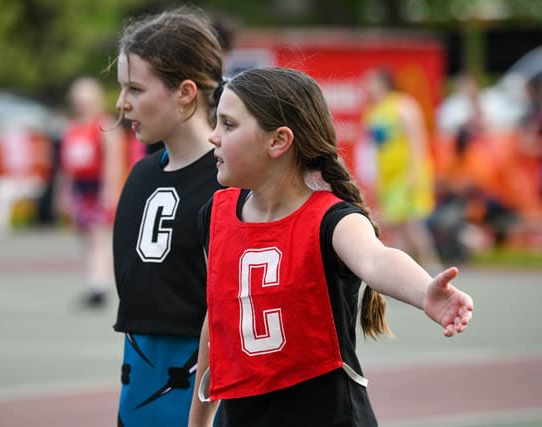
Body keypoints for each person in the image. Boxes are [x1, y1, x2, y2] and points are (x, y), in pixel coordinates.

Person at [188, 68, 474, 427]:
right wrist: (198, 421)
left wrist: (423, 291)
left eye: (228, 125)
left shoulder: (331, 219)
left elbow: (376, 259)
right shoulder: (215, 215)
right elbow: (217, 321)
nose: (213, 136)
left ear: (278, 141)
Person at [110, 7, 225, 426]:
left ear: (185, 93)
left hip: (204, 395)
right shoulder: (141, 175)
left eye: (135, 88)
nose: (122, 103)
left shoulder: (229, 184)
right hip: (139, 386)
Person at [362, 68, 441, 269]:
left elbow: (417, 140)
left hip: (406, 174)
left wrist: (415, 173)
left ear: (383, 83)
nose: (367, 86)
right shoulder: (373, 113)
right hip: (388, 177)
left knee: (411, 223)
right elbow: (374, 149)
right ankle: (402, 269)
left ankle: (431, 264)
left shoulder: (403, 106)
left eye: (371, 81)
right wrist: (375, 178)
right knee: (398, 226)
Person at [59, 76, 127, 308]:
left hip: (98, 187)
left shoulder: (104, 124)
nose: (83, 104)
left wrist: (109, 191)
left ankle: (100, 285)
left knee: (99, 236)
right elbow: (66, 166)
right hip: (80, 188)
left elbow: (113, 161)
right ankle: (92, 280)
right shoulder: (72, 127)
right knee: (85, 236)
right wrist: (65, 193)